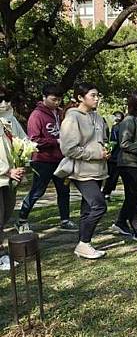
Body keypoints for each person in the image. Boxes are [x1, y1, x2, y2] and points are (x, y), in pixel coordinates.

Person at [59, 83, 110, 259]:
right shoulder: (72, 118)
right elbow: (68, 149)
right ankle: (84, 243)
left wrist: (105, 151)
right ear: (80, 98)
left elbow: (101, 140)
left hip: (98, 170)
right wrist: (95, 153)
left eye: (98, 95)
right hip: (81, 171)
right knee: (99, 206)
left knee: (88, 209)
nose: (97, 99)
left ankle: (84, 244)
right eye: (93, 95)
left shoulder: (97, 117)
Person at [18, 84, 76, 233]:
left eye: (59, 100)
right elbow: (34, 139)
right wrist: (54, 141)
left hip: (60, 159)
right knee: (37, 191)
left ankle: (65, 219)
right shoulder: (36, 115)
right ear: (44, 97)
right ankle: (22, 219)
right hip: (42, 160)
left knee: (64, 190)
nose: (57, 102)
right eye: (54, 99)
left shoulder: (61, 113)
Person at [111, 90, 137, 242]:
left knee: (134, 196)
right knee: (133, 196)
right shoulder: (129, 120)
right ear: (135, 104)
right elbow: (124, 143)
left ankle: (120, 222)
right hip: (130, 164)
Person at [0, 118, 26, 270]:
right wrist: (7, 170)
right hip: (5, 175)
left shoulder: (5, 122)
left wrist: (19, 163)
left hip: (7, 179)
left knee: (4, 216)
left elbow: (20, 141)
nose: (5, 104)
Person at [102, 111, 124, 200]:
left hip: (115, 157)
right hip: (118, 156)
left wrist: (109, 151)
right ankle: (106, 193)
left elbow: (113, 142)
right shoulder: (120, 127)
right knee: (113, 177)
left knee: (112, 177)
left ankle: (106, 193)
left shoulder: (116, 127)